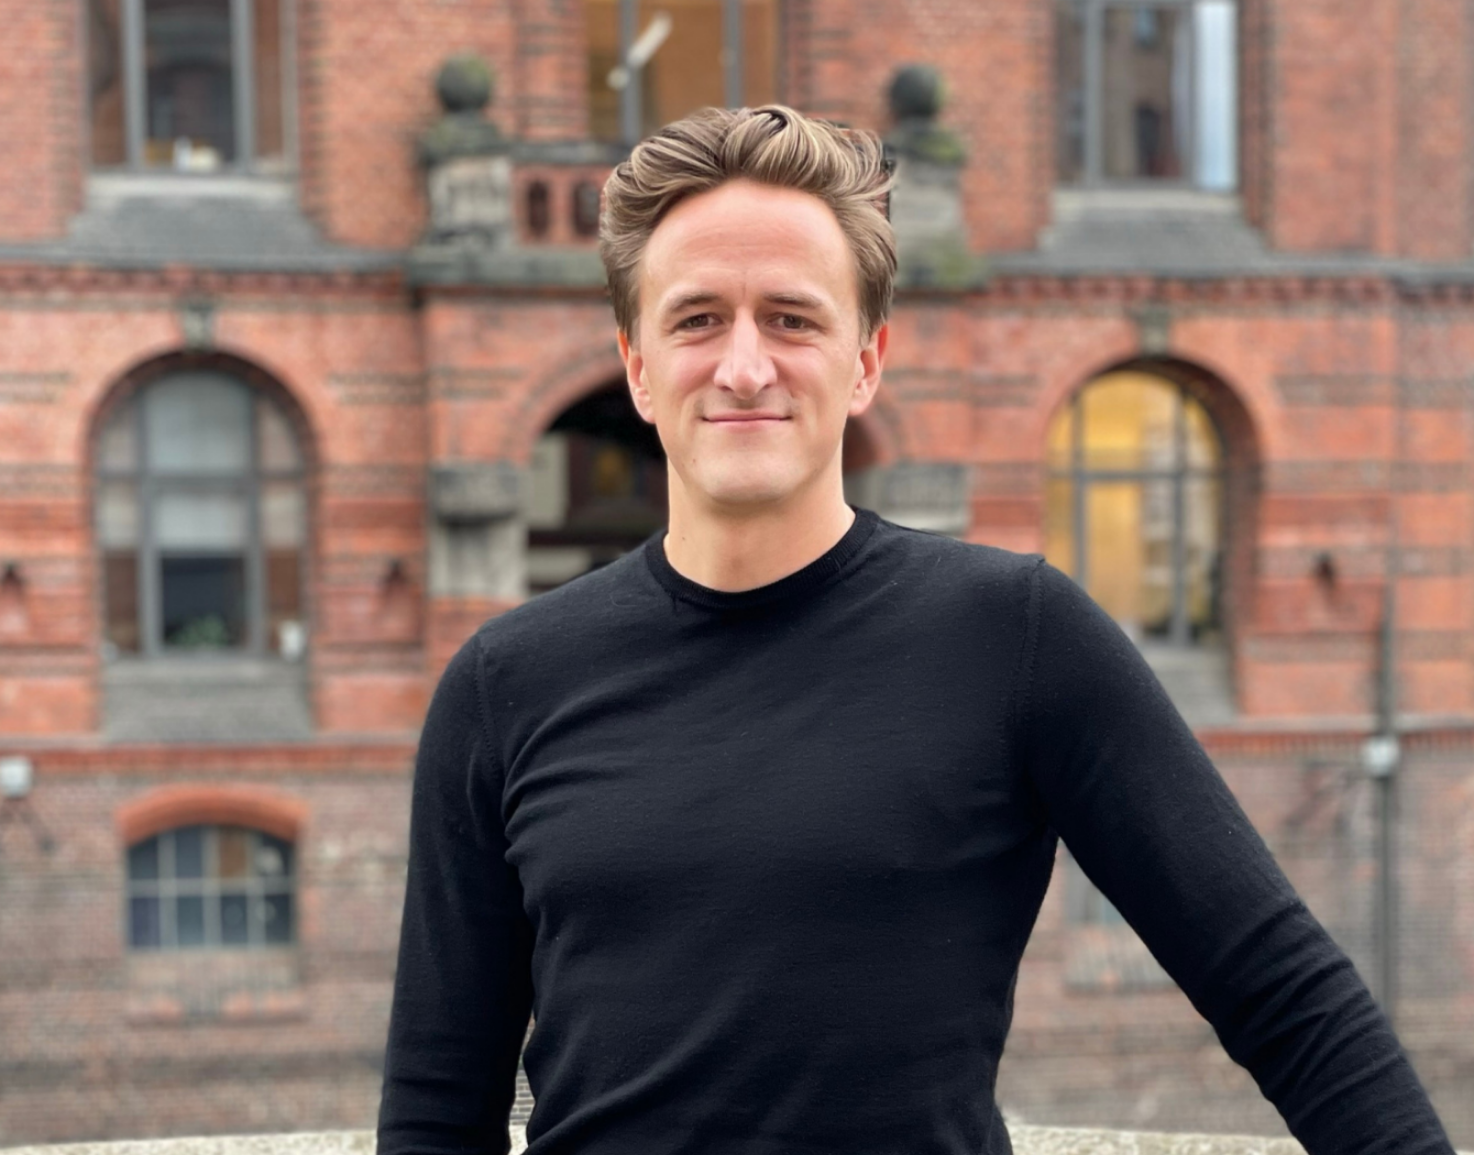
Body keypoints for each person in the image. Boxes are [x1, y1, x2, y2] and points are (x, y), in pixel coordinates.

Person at [376, 105, 1454, 1155]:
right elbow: (437, 1101)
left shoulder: (1014, 637)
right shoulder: (506, 682)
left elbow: (1281, 990)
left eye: (792, 319)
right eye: (697, 319)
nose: (744, 366)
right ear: (639, 366)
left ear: (866, 361)